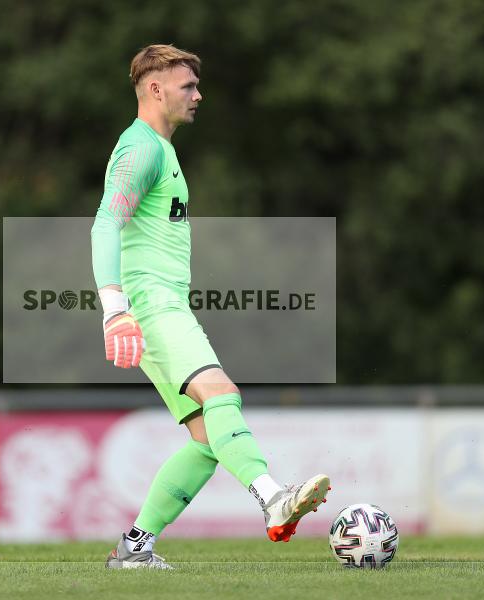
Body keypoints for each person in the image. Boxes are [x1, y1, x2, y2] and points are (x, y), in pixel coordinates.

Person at [91, 44, 330, 570]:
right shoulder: (142, 149)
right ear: (155, 89)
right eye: (187, 87)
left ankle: (134, 549)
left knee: (207, 438)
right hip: (151, 302)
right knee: (222, 394)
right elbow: (105, 222)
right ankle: (273, 497)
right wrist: (116, 308)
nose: (198, 95)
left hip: (162, 301)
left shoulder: (161, 147)